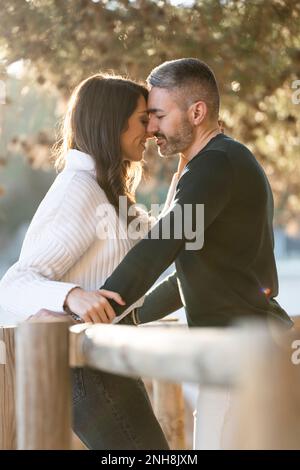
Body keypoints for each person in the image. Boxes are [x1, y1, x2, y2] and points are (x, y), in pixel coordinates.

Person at [0, 73, 169, 450]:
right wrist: (72, 296)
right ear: (113, 122)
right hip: (85, 369)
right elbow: (13, 284)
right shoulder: (78, 191)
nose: (152, 130)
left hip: (108, 360)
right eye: (144, 119)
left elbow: (165, 239)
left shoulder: (107, 191)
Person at [97, 58, 293, 330]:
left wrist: (98, 307)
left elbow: (161, 244)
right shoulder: (221, 161)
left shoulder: (216, 163)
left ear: (197, 113)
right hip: (249, 340)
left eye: (160, 116)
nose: (151, 129)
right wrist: (128, 317)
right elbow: (190, 277)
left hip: (251, 346)